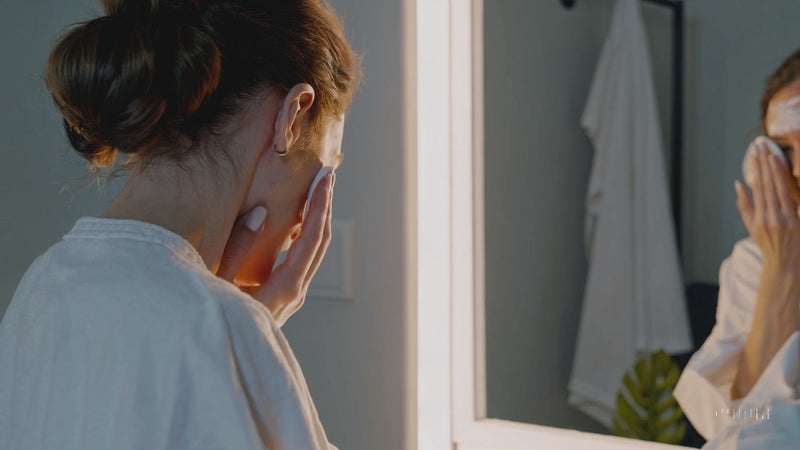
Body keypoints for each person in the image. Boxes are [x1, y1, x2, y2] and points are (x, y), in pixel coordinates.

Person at [0, 0, 360, 448]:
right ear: (292, 115)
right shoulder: (218, 325)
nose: (309, 210)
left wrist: (246, 337)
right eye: (326, 168)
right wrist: (246, 339)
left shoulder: (41, 288)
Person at [674, 49, 800, 449]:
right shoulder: (754, 261)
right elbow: (730, 426)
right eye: (786, 149)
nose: (797, 171)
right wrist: (782, 268)